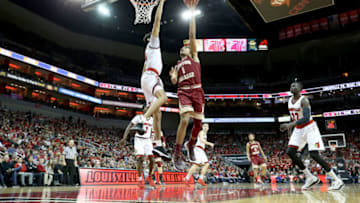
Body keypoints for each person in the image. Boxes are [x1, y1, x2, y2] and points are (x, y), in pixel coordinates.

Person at [280, 81, 344, 190]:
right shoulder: (289, 101)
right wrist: (290, 132)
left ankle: (336, 180)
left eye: (295, 85)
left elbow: (305, 118)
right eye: (291, 85)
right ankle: (310, 177)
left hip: (310, 128)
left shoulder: (304, 100)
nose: (292, 87)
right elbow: (293, 117)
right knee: (290, 151)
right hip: (298, 129)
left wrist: (290, 125)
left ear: (300, 88)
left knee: (314, 155)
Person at [129, 0, 170, 161]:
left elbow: (143, 70)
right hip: (151, 77)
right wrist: (161, 4)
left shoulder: (149, 53)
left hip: (147, 78)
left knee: (158, 115)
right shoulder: (153, 44)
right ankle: (142, 119)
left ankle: (157, 144)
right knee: (163, 98)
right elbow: (157, 22)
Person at [169, 0, 205, 171]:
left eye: (186, 47)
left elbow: (192, 35)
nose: (184, 47)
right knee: (184, 119)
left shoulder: (194, 57)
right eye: (182, 48)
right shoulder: (177, 64)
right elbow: (175, 82)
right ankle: (177, 153)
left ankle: (190, 144)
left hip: (197, 90)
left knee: (198, 125)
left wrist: (192, 14)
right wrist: (173, 77)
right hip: (183, 92)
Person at [120, 108, 156, 188]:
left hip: (148, 140)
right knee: (140, 158)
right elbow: (129, 126)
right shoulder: (138, 117)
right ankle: (139, 179)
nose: (148, 108)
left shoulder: (152, 120)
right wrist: (124, 138)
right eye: (146, 107)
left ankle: (149, 177)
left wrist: (153, 142)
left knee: (152, 159)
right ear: (143, 110)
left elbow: (152, 132)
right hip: (139, 139)